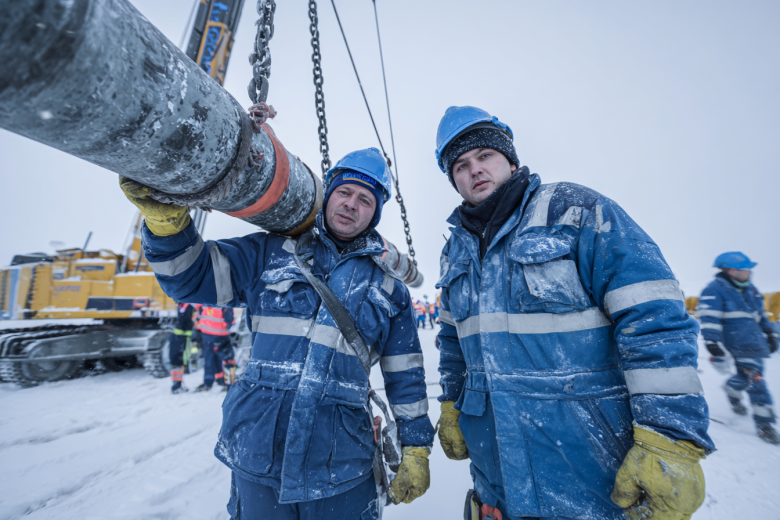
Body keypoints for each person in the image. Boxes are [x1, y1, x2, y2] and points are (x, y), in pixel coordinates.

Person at [120, 147, 434, 519]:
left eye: (366, 200)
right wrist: (168, 226)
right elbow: (191, 278)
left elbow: (406, 376)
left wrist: (415, 446)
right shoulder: (269, 252)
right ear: (328, 193)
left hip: (342, 462)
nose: (352, 204)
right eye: (345, 192)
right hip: (258, 451)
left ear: (375, 213)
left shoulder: (389, 288)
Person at [433, 106, 714, 520]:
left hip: (588, 469)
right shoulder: (454, 252)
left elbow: (654, 320)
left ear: (510, 160)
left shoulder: (575, 212)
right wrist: (452, 402)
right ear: (454, 180)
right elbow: (452, 342)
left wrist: (667, 437)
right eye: (461, 164)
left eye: (485, 156)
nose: (475, 170)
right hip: (495, 476)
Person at [698, 252, 780, 444]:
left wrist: (771, 333)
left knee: (748, 377)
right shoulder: (714, 290)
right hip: (734, 343)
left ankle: (731, 388)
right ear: (733, 271)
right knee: (756, 380)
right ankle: (765, 425)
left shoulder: (751, 289)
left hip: (755, 343)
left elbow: (760, 315)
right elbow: (709, 318)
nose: (750, 272)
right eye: (746, 269)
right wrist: (712, 342)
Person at [195, 305, 236, 391]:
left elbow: (199, 313)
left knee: (210, 359)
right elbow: (230, 321)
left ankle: (209, 382)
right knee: (228, 360)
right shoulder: (225, 303)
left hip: (207, 335)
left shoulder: (204, 301)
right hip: (221, 336)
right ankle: (229, 383)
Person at [169, 302, 195, 393]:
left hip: (177, 337)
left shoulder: (182, 305)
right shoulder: (190, 306)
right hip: (182, 338)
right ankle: (176, 386)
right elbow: (187, 321)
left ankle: (176, 385)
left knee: (177, 362)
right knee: (180, 361)